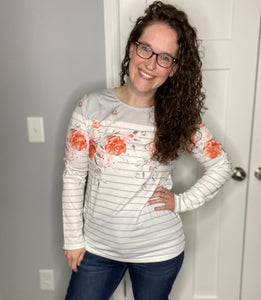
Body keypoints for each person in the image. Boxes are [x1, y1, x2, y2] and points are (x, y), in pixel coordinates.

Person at [62, 1, 232, 300]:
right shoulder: (89, 108)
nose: (151, 64)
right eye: (145, 49)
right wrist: (73, 239)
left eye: (165, 57)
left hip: (158, 251)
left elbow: (221, 166)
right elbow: (74, 176)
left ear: (175, 68)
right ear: (131, 49)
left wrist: (180, 202)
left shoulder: (178, 116)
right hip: (97, 249)